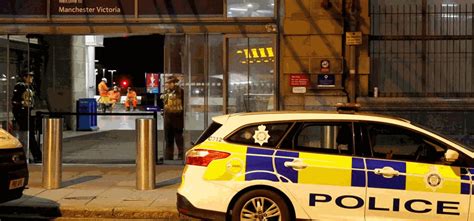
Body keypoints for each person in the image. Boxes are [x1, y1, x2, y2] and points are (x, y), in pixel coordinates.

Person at [11, 71, 42, 163]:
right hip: (22, 113)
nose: (31, 79)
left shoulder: (30, 87)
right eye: (30, 77)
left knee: (30, 135)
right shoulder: (20, 86)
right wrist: (22, 106)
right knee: (26, 135)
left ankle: (36, 155)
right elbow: (15, 101)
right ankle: (33, 155)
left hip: (28, 112)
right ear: (25, 77)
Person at [160, 76, 184, 160]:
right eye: (167, 83)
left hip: (177, 118)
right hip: (168, 118)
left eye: (169, 83)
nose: (167, 84)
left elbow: (184, 104)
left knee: (178, 138)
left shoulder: (180, 92)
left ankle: (181, 155)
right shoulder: (166, 92)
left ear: (174, 83)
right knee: (168, 138)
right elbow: (164, 103)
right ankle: (168, 156)